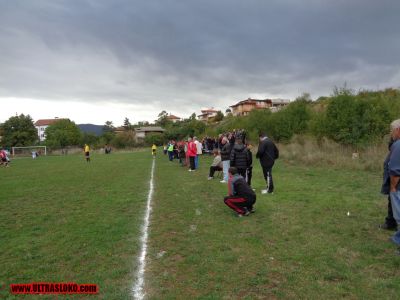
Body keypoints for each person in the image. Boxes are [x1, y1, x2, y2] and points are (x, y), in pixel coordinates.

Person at [388, 119, 400, 253]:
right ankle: (397, 237)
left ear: (398, 130)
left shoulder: (398, 145)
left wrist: (393, 187)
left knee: (399, 216)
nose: (392, 133)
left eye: (392, 130)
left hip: (398, 187)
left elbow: (396, 170)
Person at [380, 138, 398, 230]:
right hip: (393, 177)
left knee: (394, 200)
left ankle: (391, 223)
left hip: (396, 179)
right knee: (392, 200)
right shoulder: (395, 142)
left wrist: (393, 186)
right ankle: (391, 222)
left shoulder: (397, 145)